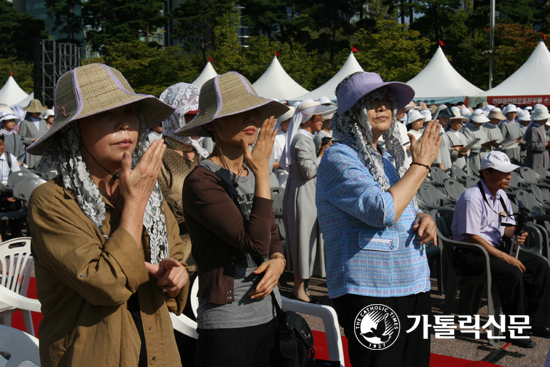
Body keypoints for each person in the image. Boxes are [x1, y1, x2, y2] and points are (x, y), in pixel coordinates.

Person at [27, 63, 190, 367]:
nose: (122, 123)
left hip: (158, 350)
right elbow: (105, 283)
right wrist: (135, 203)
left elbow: (176, 253)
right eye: (104, 114)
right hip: (91, 354)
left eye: (130, 112)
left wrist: (175, 274)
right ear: (74, 130)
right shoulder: (52, 201)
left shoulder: (149, 193)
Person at [316, 72, 440, 367]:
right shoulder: (338, 156)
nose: (383, 107)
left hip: (411, 279)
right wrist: (421, 164)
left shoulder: (385, 156)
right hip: (370, 287)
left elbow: (400, 205)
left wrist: (422, 216)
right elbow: (380, 210)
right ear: (350, 112)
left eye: (387, 101)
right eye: (371, 102)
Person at [179, 71, 288, 367]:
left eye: (254, 111)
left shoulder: (252, 172)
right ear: (213, 123)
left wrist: (279, 260)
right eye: (238, 112)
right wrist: (263, 173)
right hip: (229, 321)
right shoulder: (201, 181)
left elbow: (272, 234)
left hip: (269, 311)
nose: (249, 119)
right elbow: (253, 242)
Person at [451, 151, 550, 348]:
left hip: (492, 249)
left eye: (509, 172)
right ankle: (515, 330)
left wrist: (516, 234)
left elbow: (506, 228)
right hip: (470, 254)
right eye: (503, 172)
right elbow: (473, 236)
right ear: (486, 173)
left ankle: (538, 322)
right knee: (511, 271)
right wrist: (505, 256)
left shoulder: (502, 195)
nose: (508, 177)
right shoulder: (472, 197)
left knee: (540, 265)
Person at [281, 99, 336, 303]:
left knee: (308, 240)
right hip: (302, 195)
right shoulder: (302, 140)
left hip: (305, 193)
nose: (322, 120)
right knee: (302, 241)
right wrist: (323, 153)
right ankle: (299, 288)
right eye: (319, 117)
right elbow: (309, 171)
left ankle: (303, 286)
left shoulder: (304, 138)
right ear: (309, 119)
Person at [158, 82, 209, 274]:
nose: (195, 123)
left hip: (207, 255)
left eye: (199, 117)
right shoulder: (159, 157)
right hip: (177, 256)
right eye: (189, 116)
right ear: (174, 117)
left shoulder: (202, 155)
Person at [19, 99, 48, 168]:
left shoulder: (43, 122)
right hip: (31, 152)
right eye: (35, 111)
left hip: (43, 151)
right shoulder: (25, 122)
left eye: (39, 110)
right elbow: (20, 138)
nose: (38, 112)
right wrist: (32, 140)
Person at [272, 107, 295, 188]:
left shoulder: (297, 136)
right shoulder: (275, 138)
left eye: (292, 120)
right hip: (283, 179)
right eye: (288, 120)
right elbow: (272, 163)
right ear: (281, 122)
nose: (290, 123)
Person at [443, 112, 470, 177]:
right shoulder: (447, 135)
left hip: (464, 161)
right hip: (454, 161)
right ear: (450, 123)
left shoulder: (462, 135)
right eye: (457, 122)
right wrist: (457, 152)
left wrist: (466, 151)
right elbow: (446, 150)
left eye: (460, 122)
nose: (459, 124)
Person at [464, 109, 491, 174]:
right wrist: (480, 147)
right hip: (475, 157)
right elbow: (468, 144)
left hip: (484, 155)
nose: (480, 123)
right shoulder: (467, 129)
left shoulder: (482, 128)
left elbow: (485, 138)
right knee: (476, 173)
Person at [525, 105, 550, 169]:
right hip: (537, 159)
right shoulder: (533, 129)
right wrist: (546, 144)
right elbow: (532, 145)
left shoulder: (541, 127)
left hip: (543, 157)